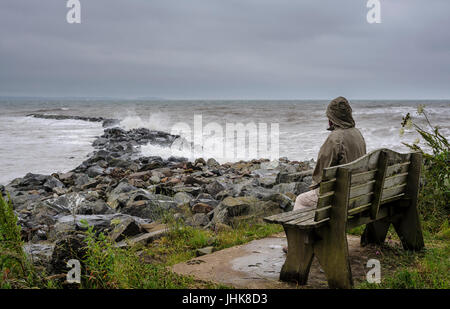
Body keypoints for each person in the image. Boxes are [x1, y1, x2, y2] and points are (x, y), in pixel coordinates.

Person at [294, 96, 367, 211]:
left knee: (301, 200)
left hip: (341, 196)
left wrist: (314, 186)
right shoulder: (358, 133)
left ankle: (303, 229)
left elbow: (321, 173)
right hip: (360, 191)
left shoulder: (335, 138)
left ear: (332, 118)